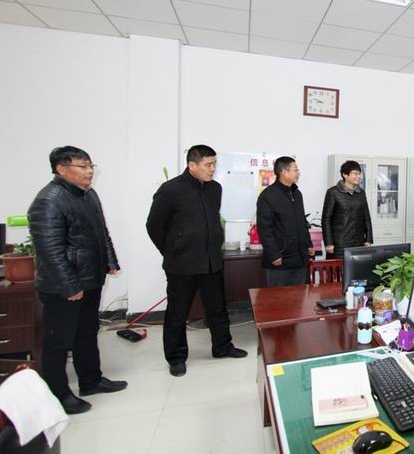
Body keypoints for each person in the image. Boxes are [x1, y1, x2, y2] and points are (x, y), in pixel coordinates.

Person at [28, 146, 127, 414]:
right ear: (61, 169)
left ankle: (91, 380)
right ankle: (58, 395)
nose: (89, 171)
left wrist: (110, 261)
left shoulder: (88, 194)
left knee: (86, 332)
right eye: (82, 167)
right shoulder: (49, 201)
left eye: (90, 166)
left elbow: (101, 232)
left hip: (90, 278)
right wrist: (70, 286)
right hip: (64, 287)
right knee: (58, 343)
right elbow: (49, 251)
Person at [146, 145, 247, 378]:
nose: (213, 169)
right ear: (192, 165)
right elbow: (154, 225)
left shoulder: (215, 189)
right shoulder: (171, 190)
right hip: (182, 264)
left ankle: (222, 347)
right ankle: (176, 357)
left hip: (211, 261)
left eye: (214, 164)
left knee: (217, 307)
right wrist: (172, 250)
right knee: (178, 312)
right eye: (208, 165)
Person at [257, 156, 314, 286]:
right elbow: (265, 229)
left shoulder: (297, 194)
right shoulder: (268, 195)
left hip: (299, 258)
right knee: (279, 297)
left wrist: (308, 243)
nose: (298, 173)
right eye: (295, 170)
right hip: (280, 259)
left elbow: (302, 222)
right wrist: (274, 254)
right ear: (283, 172)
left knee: (299, 296)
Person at [321, 160, 373, 259]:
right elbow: (326, 219)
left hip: (358, 243)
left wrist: (368, 239)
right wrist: (328, 243)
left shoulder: (361, 193)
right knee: (338, 268)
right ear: (345, 174)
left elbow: (366, 217)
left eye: (359, 173)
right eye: (355, 173)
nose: (359, 176)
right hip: (339, 244)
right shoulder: (333, 192)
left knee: (357, 268)